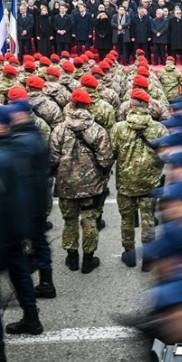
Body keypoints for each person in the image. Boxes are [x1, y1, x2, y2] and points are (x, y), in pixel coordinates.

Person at [50, 89, 114, 274]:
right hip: (91, 186)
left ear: (71, 105)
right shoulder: (97, 130)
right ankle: (88, 260)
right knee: (89, 221)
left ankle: (72, 258)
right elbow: (106, 160)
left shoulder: (60, 129)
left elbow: (53, 158)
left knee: (69, 221)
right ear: (88, 106)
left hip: (66, 185)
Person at [110, 89, 167, 268]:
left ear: (130, 105)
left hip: (125, 183)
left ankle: (129, 255)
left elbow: (112, 153)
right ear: (147, 106)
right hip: (150, 183)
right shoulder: (159, 129)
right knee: (148, 219)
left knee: (127, 220)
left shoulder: (118, 128)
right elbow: (167, 155)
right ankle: (148, 258)